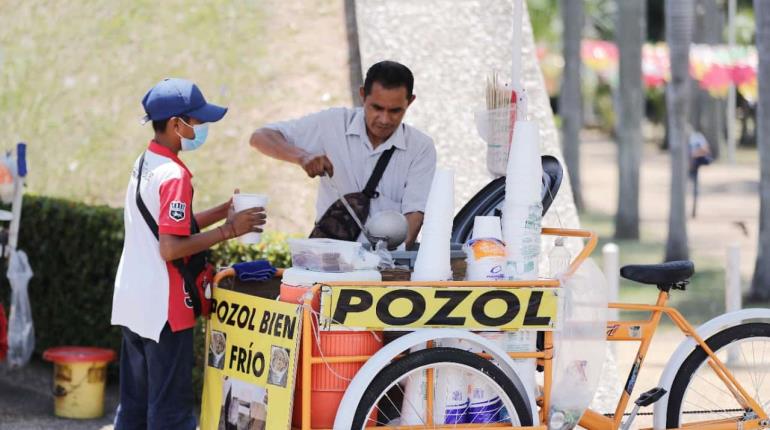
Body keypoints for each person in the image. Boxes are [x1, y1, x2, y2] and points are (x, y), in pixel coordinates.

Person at [111, 78, 266, 429]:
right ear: (175, 124)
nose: (201, 128)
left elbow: (168, 227)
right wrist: (230, 231)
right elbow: (170, 248)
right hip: (164, 308)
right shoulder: (175, 175)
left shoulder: (146, 162)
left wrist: (222, 212)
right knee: (170, 413)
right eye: (196, 121)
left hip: (133, 301)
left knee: (133, 408)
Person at [249, 60, 436, 248]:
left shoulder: (420, 148)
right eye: (376, 108)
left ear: (410, 102)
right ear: (363, 95)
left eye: (395, 111)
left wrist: (391, 262)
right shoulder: (332, 123)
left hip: (388, 261)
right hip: (331, 256)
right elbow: (260, 137)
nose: (384, 119)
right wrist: (303, 157)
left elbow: (414, 216)